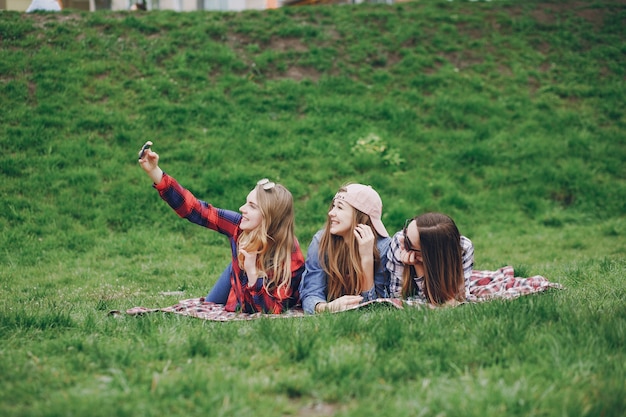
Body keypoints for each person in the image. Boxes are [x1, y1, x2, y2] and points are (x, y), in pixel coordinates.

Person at [138, 141, 305, 314]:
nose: (242, 209)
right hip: (237, 281)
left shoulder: (289, 253)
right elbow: (196, 210)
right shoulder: (239, 226)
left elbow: (270, 311)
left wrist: (252, 272)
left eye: (252, 206)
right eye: (246, 203)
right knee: (205, 308)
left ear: (270, 218)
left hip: (253, 282)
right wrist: (154, 171)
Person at [299, 183, 391, 314]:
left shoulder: (383, 247)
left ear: (360, 215)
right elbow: (311, 293)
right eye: (333, 206)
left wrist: (366, 259)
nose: (331, 213)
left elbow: (377, 307)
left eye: (340, 208)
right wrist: (327, 308)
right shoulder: (321, 241)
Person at [387, 212, 474, 306]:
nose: (402, 240)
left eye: (408, 243)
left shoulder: (463, 248)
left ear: (426, 255)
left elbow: (458, 298)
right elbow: (398, 298)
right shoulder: (399, 243)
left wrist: (419, 266)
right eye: (405, 230)